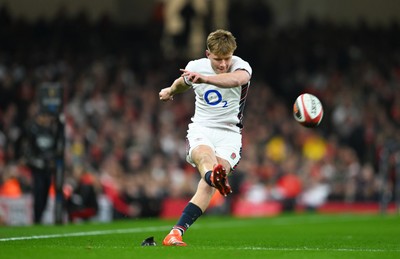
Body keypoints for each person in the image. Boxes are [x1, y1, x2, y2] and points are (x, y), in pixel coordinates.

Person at [159, 29, 252, 246]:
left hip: (230, 133)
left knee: (207, 184)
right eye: (218, 59)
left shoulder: (241, 66)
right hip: (202, 128)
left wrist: (206, 78)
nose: (223, 64)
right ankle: (214, 177)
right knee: (204, 156)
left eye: (226, 58)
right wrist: (171, 91)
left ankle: (175, 233)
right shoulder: (195, 66)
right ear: (207, 54)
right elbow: (184, 82)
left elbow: (235, 80)